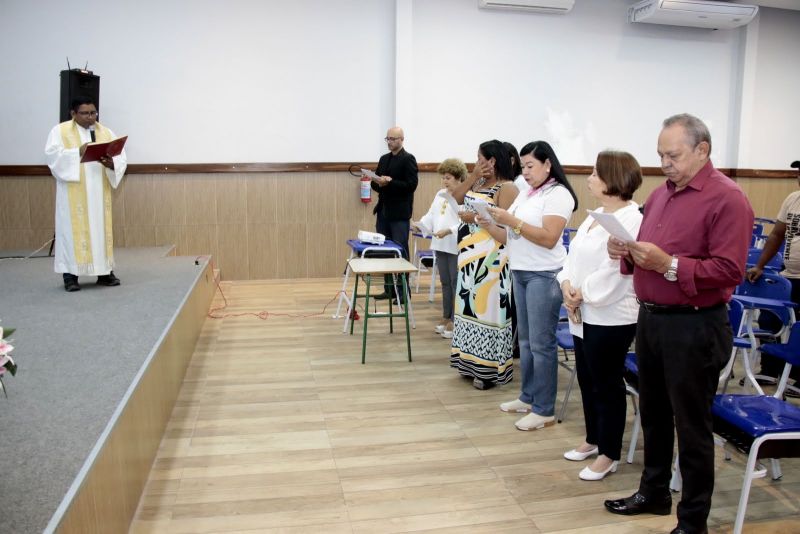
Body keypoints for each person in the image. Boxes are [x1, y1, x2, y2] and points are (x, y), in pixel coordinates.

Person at [605, 114, 753, 534]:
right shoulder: (660, 195)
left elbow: (728, 271)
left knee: (691, 427)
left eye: (673, 155)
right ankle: (654, 493)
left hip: (695, 326)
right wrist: (627, 251)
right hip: (652, 320)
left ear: (702, 150)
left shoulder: (728, 198)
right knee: (651, 414)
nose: (664, 163)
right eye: (660, 155)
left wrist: (668, 265)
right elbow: (647, 257)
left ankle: (693, 521)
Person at [557, 151, 643, 480]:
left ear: (612, 179)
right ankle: (593, 439)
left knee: (607, 384)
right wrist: (567, 285)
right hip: (583, 309)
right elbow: (573, 256)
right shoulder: (596, 215)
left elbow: (617, 271)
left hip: (611, 314)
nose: (590, 178)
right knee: (587, 378)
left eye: (595, 173)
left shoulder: (631, 217)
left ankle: (610, 453)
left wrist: (583, 294)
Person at [484, 141, 578, 430]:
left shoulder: (558, 194)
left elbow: (549, 237)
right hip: (521, 270)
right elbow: (508, 236)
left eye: (530, 166)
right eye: (522, 166)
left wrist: (512, 221)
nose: (524, 172)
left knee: (541, 343)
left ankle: (544, 408)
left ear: (547, 164)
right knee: (524, 341)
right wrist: (485, 221)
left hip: (544, 274)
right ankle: (528, 396)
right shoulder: (525, 193)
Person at [449, 140, 518, 389]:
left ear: (493, 160)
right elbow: (456, 198)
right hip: (468, 254)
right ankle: (468, 362)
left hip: (491, 257)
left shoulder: (507, 187)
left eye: (480, 158)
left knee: (486, 309)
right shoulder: (478, 182)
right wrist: (472, 176)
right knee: (468, 308)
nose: (478, 161)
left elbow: (507, 225)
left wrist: (477, 217)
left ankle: (488, 370)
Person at [45, 96, 128, 292]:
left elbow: (120, 157)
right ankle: (70, 276)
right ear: (73, 114)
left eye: (93, 113)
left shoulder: (105, 132)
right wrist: (77, 153)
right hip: (74, 192)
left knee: (100, 231)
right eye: (84, 113)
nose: (90, 117)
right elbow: (53, 157)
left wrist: (111, 164)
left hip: (99, 191)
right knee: (71, 233)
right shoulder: (60, 131)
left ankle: (104, 273)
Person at [745, 159, 800, 390]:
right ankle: (770, 370)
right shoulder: (793, 199)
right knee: (769, 318)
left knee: (798, 329)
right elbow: (777, 235)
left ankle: (796, 376)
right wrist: (760, 265)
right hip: (789, 274)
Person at [411, 158, 466, 339]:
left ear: (459, 178)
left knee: (456, 283)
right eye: (443, 177)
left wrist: (448, 231)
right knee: (445, 282)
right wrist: (420, 224)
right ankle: (445, 316)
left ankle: (456, 319)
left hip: (455, 245)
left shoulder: (464, 195)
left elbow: (465, 222)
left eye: (448, 177)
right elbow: (431, 214)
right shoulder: (440, 193)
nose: (445, 181)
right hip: (440, 244)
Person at [371, 126, 419, 300]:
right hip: (383, 211)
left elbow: (411, 185)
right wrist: (379, 183)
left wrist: (390, 183)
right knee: (384, 250)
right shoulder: (383, 159)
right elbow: (374, 183)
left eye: (393, 139)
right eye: (388, 139)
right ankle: (389, 289)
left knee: (400, 251)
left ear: (401, 139)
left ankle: (403, 292)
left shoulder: (408, 159)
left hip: (399, 214)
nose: (390, 142)